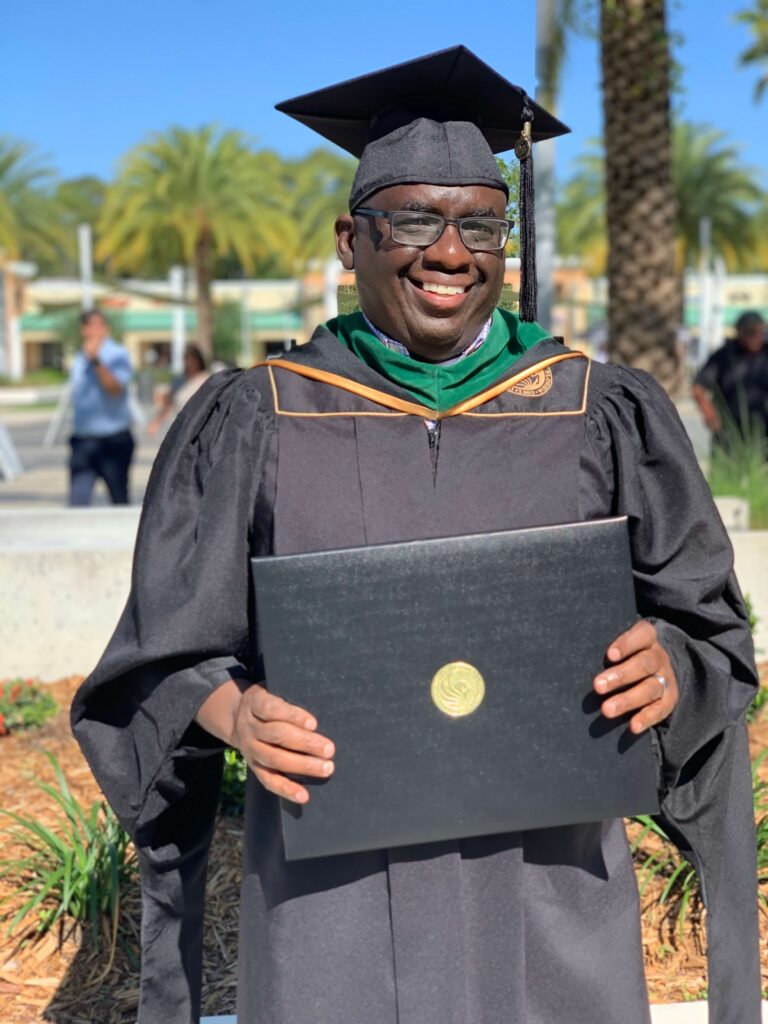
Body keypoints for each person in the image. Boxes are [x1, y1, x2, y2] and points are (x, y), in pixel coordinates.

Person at [72, 47, 760, 1024]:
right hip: (330, 911)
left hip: (552, 898)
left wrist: (672, 666)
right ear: (351, 237)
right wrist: (232, 714)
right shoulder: (262, 415)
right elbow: (159, 658)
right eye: (414, 220)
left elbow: (710, 636)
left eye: (480, 225)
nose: (451, 252)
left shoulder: (597, 410)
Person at [68, 309, 134, 505]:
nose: (96, 330)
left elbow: (115, 389)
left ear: (106, 328)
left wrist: (97, 361)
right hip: (83, 440)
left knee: (119, 499)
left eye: (100, 325)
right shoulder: (79, 357)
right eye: (91, 326)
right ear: (84, 330)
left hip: (113, 439)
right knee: (77, 501)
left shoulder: (117, 354)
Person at [692, 310, 768, 450]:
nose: (756, 337)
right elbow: (698, 388)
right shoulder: (724, 356)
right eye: (750, 332)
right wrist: (710, 414)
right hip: (729, 431)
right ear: (739, 331)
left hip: (763, 433)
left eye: (760, 332)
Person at [146, 344, 211, 437]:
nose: (188, 362)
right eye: (186, 358)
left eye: (191, 359)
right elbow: (167, 405)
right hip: (178, 428)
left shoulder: (207, 380)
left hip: (199, 429)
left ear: (198, 360)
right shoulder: (178, 381)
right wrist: (156, 422)